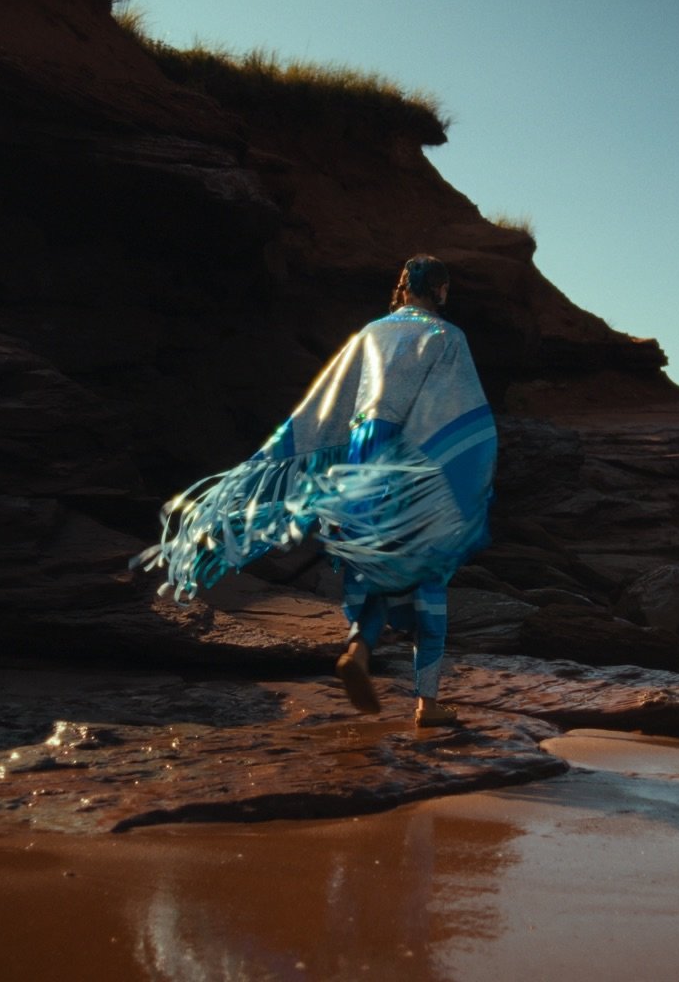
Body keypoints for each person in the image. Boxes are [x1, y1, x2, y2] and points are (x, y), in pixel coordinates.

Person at [135, 255, 496, 728]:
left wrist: (297, 459)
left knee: (369, 567)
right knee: (427, 576)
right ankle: (427, 703)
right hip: (411, 462)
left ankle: (357, 649)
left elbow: (328, 408)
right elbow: (455, 414)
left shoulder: (370, 334)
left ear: (403, 288)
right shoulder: (447, 338)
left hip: (360, 461)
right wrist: (466, 480)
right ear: (442, 291)